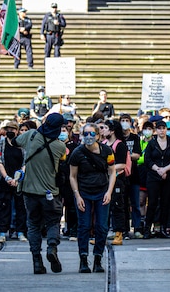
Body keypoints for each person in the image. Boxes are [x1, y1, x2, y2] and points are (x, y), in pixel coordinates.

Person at [13, 113, 68, 274]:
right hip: (50, 192)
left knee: (33, 225)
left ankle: (37, 261)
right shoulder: (60, 147)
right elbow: (62, 164)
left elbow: (15, 142)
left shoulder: (30, 135)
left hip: (29, 191)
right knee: (52, 222)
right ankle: (51, 247)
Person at [69, 122, 116, 273]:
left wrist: (109, 192)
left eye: (92, 134)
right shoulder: (77, 152)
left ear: (98, 135)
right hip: (84, 192)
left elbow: (112, 172)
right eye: (86, 134)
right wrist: (77, 195)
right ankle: (83, 259)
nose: (89, 137)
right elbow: (72, 176)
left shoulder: (107, 151)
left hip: (102, 191)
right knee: (84, 226)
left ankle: (98, 258)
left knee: (101, 226)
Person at [143, 116, 170, 238]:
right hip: (153, 176)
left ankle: (163, 228)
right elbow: (148, 160)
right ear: (156, 130)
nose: (162, 131)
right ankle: (147, 228)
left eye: (163, 128)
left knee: (166, 203)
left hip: (168, 176)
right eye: (159, 128)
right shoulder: (151, 144)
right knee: (152, 202)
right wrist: (158, 169)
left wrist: (165, 169)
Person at [0, 120, 24, 243]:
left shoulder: (22, 144)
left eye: (13, 129)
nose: (10, 131)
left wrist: (18, 177)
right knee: (3, 206)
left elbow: (26, 161)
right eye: (8, 129)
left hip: (19, 180)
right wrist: (7, 177)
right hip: (4, 180)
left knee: (20, 206)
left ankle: (20, 231)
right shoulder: (1, 143)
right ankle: (2, 232)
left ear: (17, 131)